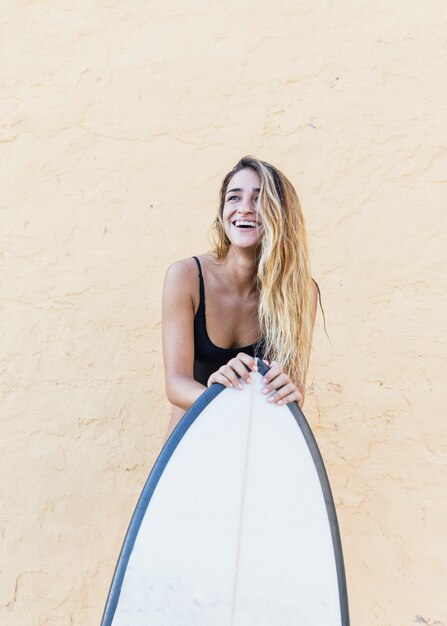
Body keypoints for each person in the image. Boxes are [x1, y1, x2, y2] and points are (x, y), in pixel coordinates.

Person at [162, 155, 323, 441]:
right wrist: (216, 393)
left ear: (282, 213)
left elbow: (293, 389)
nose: (245, 209)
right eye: (234, 198)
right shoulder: (186, 277)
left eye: (259, 199)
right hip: (190, 443)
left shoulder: (300, 293)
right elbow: (176, 384)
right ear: (222, 211)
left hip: (256, 444)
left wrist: (289, 391)